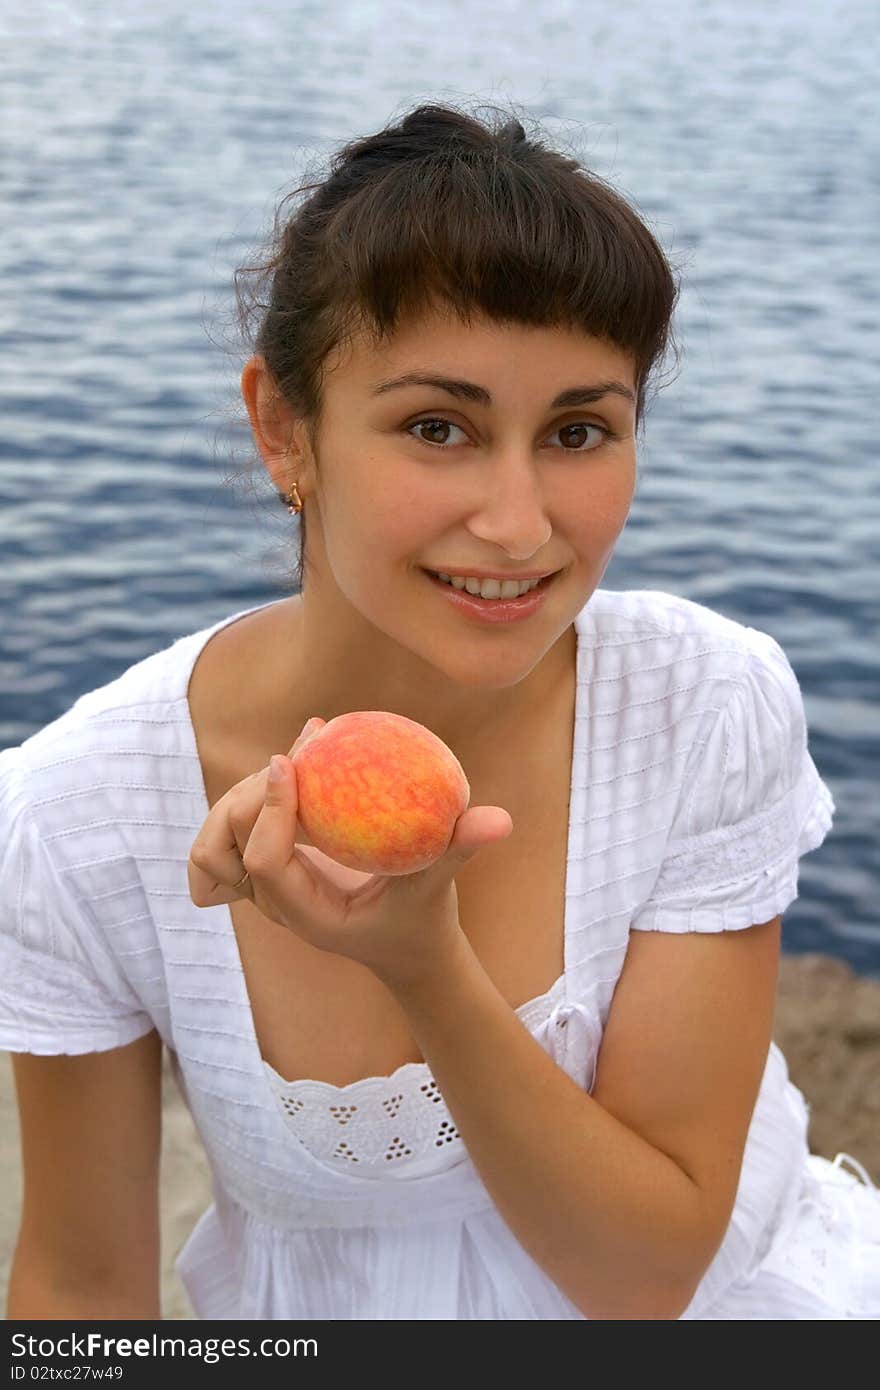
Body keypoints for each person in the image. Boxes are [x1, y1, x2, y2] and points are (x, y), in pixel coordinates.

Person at [2, 100, 878, 1322]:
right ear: (283, 431)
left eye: (578, 430)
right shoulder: (77, 813)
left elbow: (646, 1277)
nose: (519, 525)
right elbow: (79, 1289)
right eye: (436, 427)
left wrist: (427, 968)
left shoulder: (700, 708)